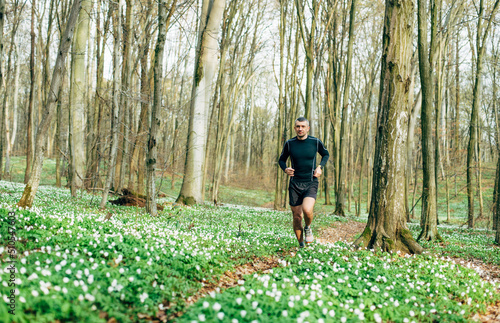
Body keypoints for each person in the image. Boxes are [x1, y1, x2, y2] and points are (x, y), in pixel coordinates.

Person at [278, 117, 329, 248]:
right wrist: (285, 169)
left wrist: (320, 167)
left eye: (302, 126)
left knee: (307, 210)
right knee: (296, 217)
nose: (300, 129)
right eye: (298, 126)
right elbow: (281, 160)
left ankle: (308, 227)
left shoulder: (315, 142)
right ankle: (301, 245)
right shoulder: (290, 143)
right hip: (295, 183)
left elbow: (325, 154)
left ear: (308, 128)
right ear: (295, 128)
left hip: (310, 181)